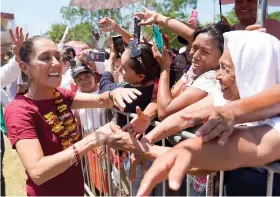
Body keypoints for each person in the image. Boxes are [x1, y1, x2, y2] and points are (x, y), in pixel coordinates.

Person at [132, 30, 280, 196]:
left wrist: (137, 147)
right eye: (220, 66)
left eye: (226, 68)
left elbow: (223, 154)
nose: (217, 75)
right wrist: (147, 139)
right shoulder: (225, 97)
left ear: (251, 73)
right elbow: (184, 117)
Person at [4, 35, 141, 196]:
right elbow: (38, 171)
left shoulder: (60, 95)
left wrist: (113, 93)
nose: (56, 63)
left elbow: (99, 99)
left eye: (57, 56)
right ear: (25, 68)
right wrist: (92, 140)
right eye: (45, 58)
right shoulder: (19, 110)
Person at [72, 62, 107, 132]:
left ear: (94, 76)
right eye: (80, 79)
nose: (84, 81)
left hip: (110, 136)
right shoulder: (74, 97)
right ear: (76, 83)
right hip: (89, 138)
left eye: (87, 76)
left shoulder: (105, 88)